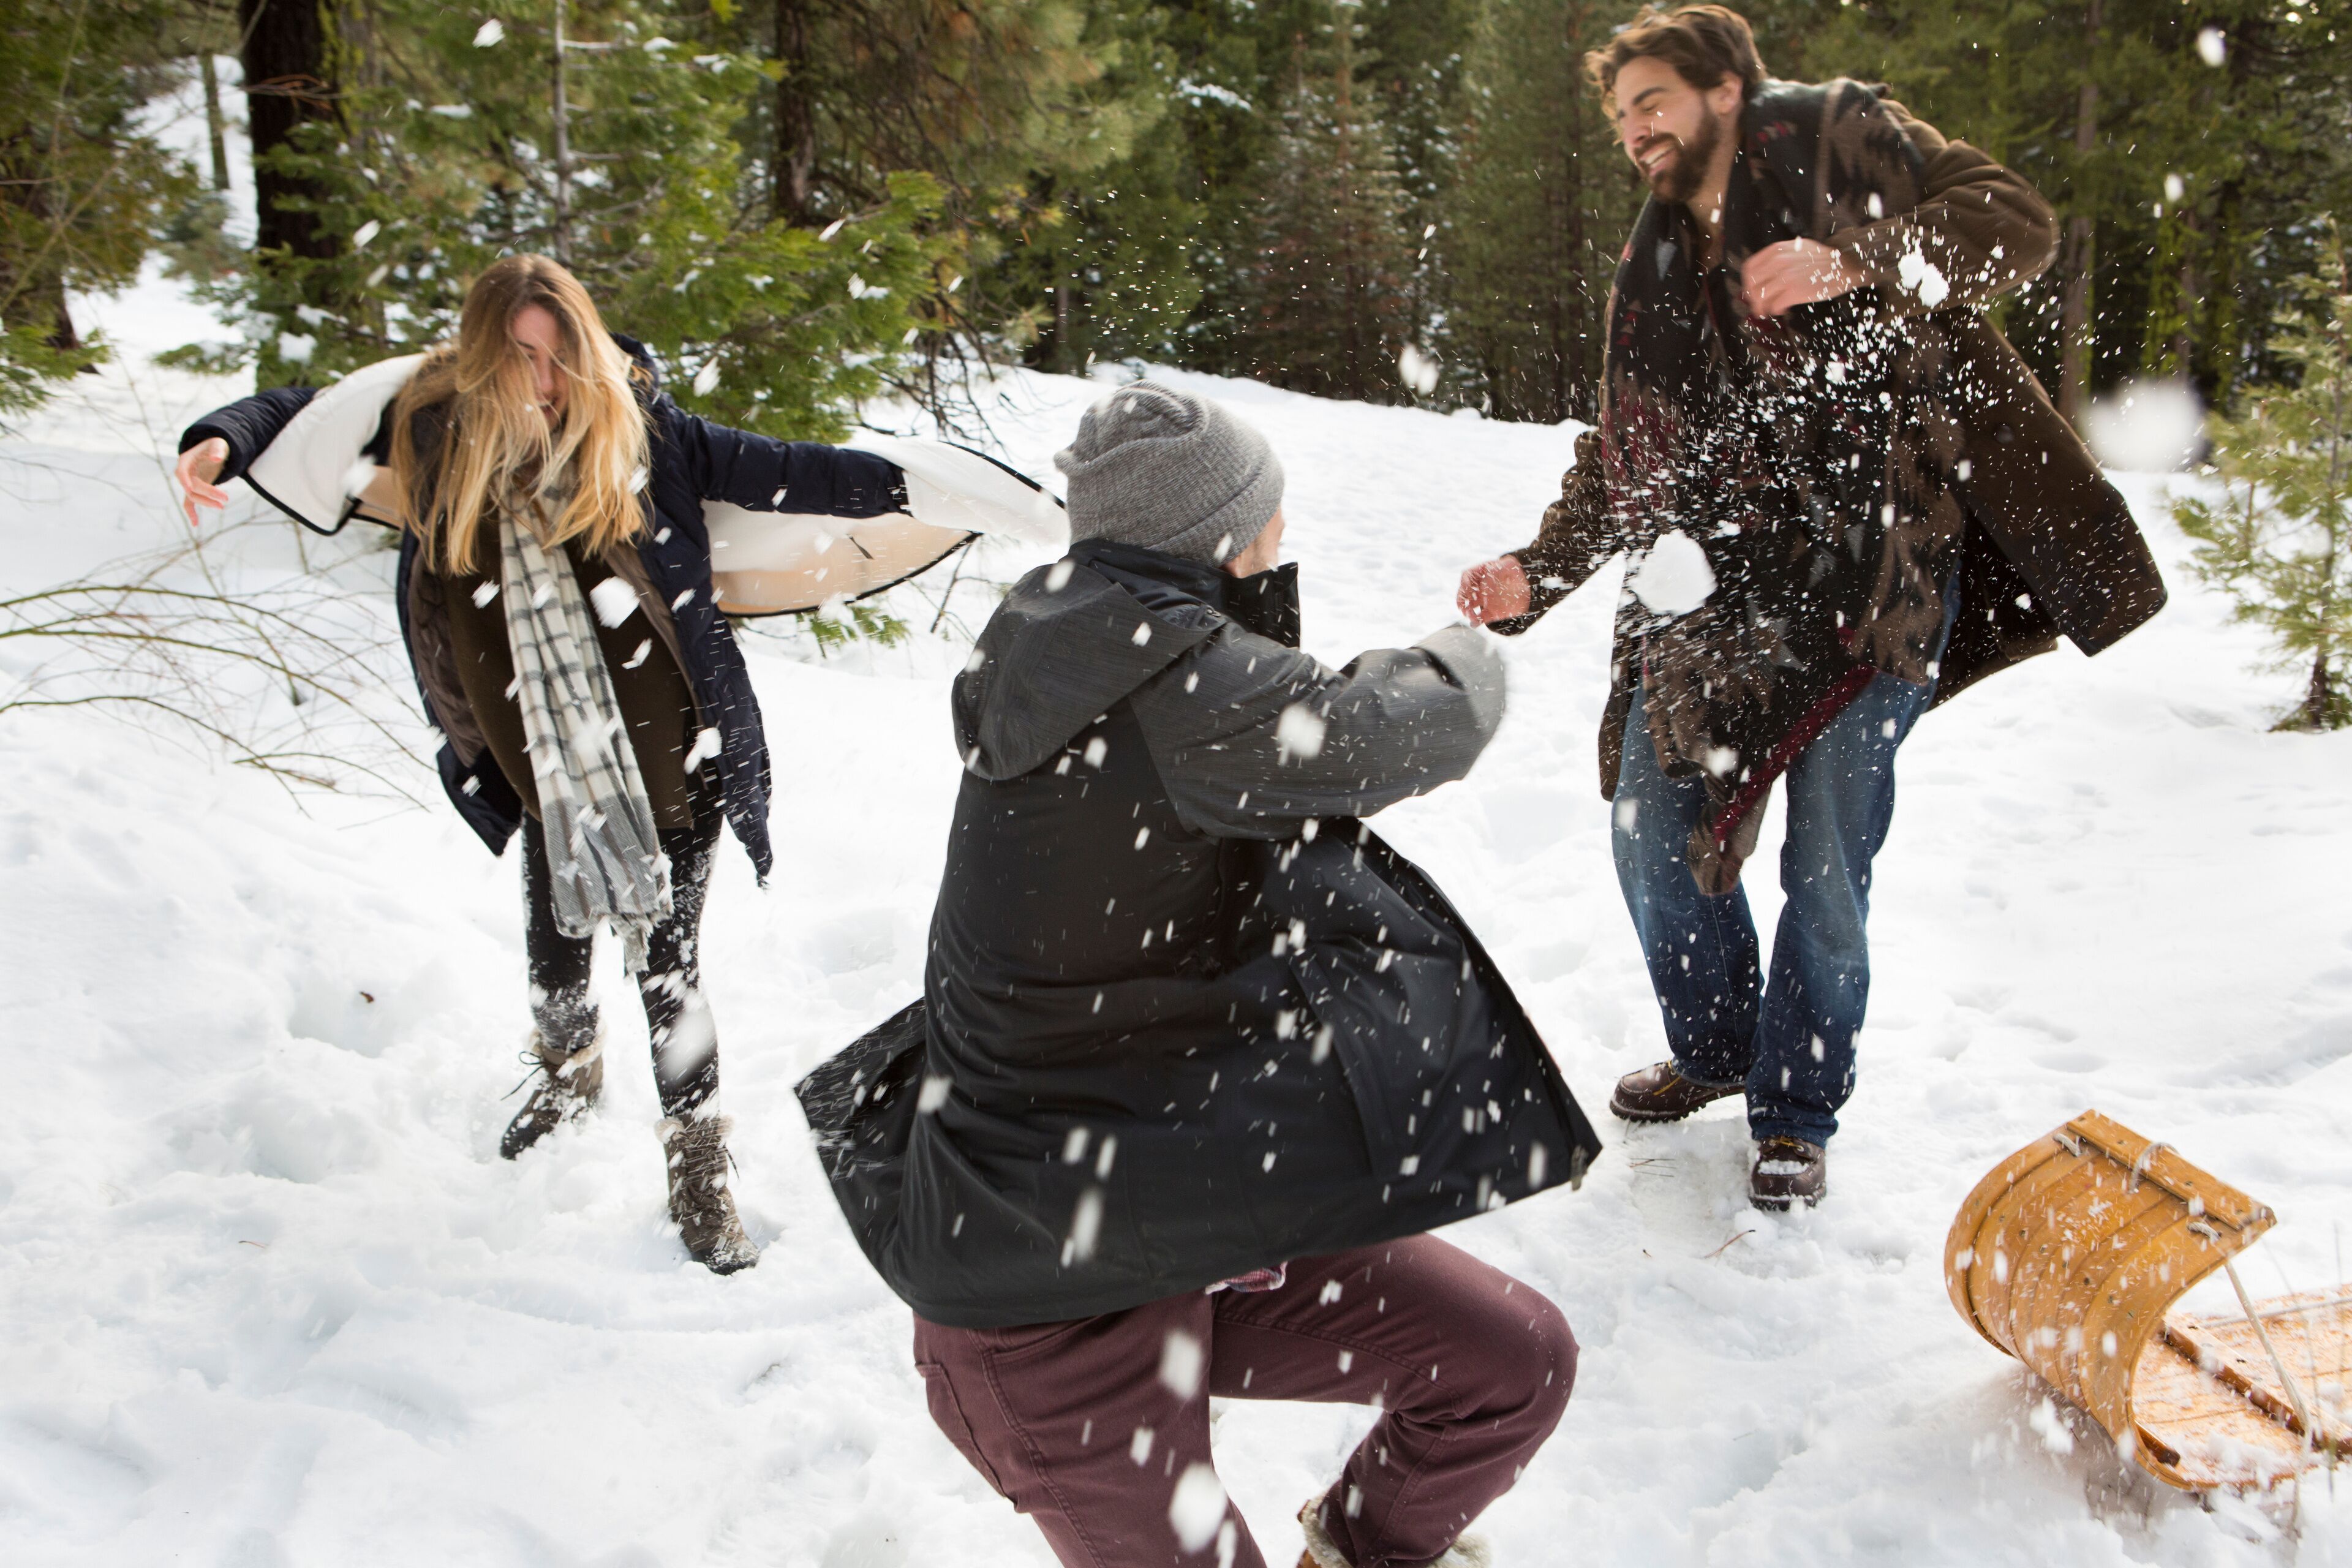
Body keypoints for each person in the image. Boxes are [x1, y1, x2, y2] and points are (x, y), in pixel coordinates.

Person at [797, 383, 1602, 1566]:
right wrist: (1466, 652)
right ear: (1220, 534)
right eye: (1266, 517)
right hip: (1046, 1302)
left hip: (1186, 1206)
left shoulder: (1081, 633)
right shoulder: (1169, 683)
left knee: (1511, 1364)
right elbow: (1404, 727)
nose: (1282, 535)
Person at [1453, 6, 2165, 1210]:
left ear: (1725, 91)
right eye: (1620, 114)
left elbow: (2017, 224)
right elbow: (1636, 447)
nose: (1634, 131)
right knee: (1649, 824)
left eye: (1652, 103)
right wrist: (1541, 570)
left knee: (1828, 865)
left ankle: (1796, 1105)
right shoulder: (1662, 256)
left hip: (1878, 574)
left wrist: (1864, 258)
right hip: (1721, 589)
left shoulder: (1835, 137)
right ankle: (1720, 1046)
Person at [175, 254, 910, 1272]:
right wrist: (219, 439)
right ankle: (568, 1073)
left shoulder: (645, 431)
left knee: (669, 972)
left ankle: (697, 1166)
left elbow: (795, 469)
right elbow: (309, 414)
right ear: (481, 356)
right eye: (522, 357)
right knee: (555, 953)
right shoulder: (434, 430)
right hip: (546, 769)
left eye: (563, 354)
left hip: (670, 759)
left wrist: (928, 484)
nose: (547, 381)